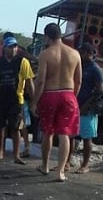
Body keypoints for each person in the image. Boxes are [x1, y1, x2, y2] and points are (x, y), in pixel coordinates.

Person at [32, 23, 82, 182]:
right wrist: (72, 96)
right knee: (65, 134)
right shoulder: (75, 54)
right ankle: (61, 171)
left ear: (47, 36)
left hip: (50, 95)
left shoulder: (45, 54)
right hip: (68, 95)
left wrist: (34, 101)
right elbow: (79, 80)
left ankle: (45, 165)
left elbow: (40, 81)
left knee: (48, 132)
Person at [0, 36, 35, 164]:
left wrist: (33, 100)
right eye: (11, 46)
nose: (14, 49)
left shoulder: (23, 62)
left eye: (15, 46)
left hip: (16, 99)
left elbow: (29, 81)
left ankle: (16, 155)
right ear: (5, 48)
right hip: (1, 98)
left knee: (15, 128)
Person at [70, 42, 103, 173]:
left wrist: (87, 105)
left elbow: (100, 91)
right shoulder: (80, 66)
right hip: (75, 105)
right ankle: (67, 162)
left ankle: (85, 165)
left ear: (89, 54)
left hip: (87, 109)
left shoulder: (95, 69)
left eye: (82, 52)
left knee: (86, 138)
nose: (80, 54)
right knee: (70, 136)